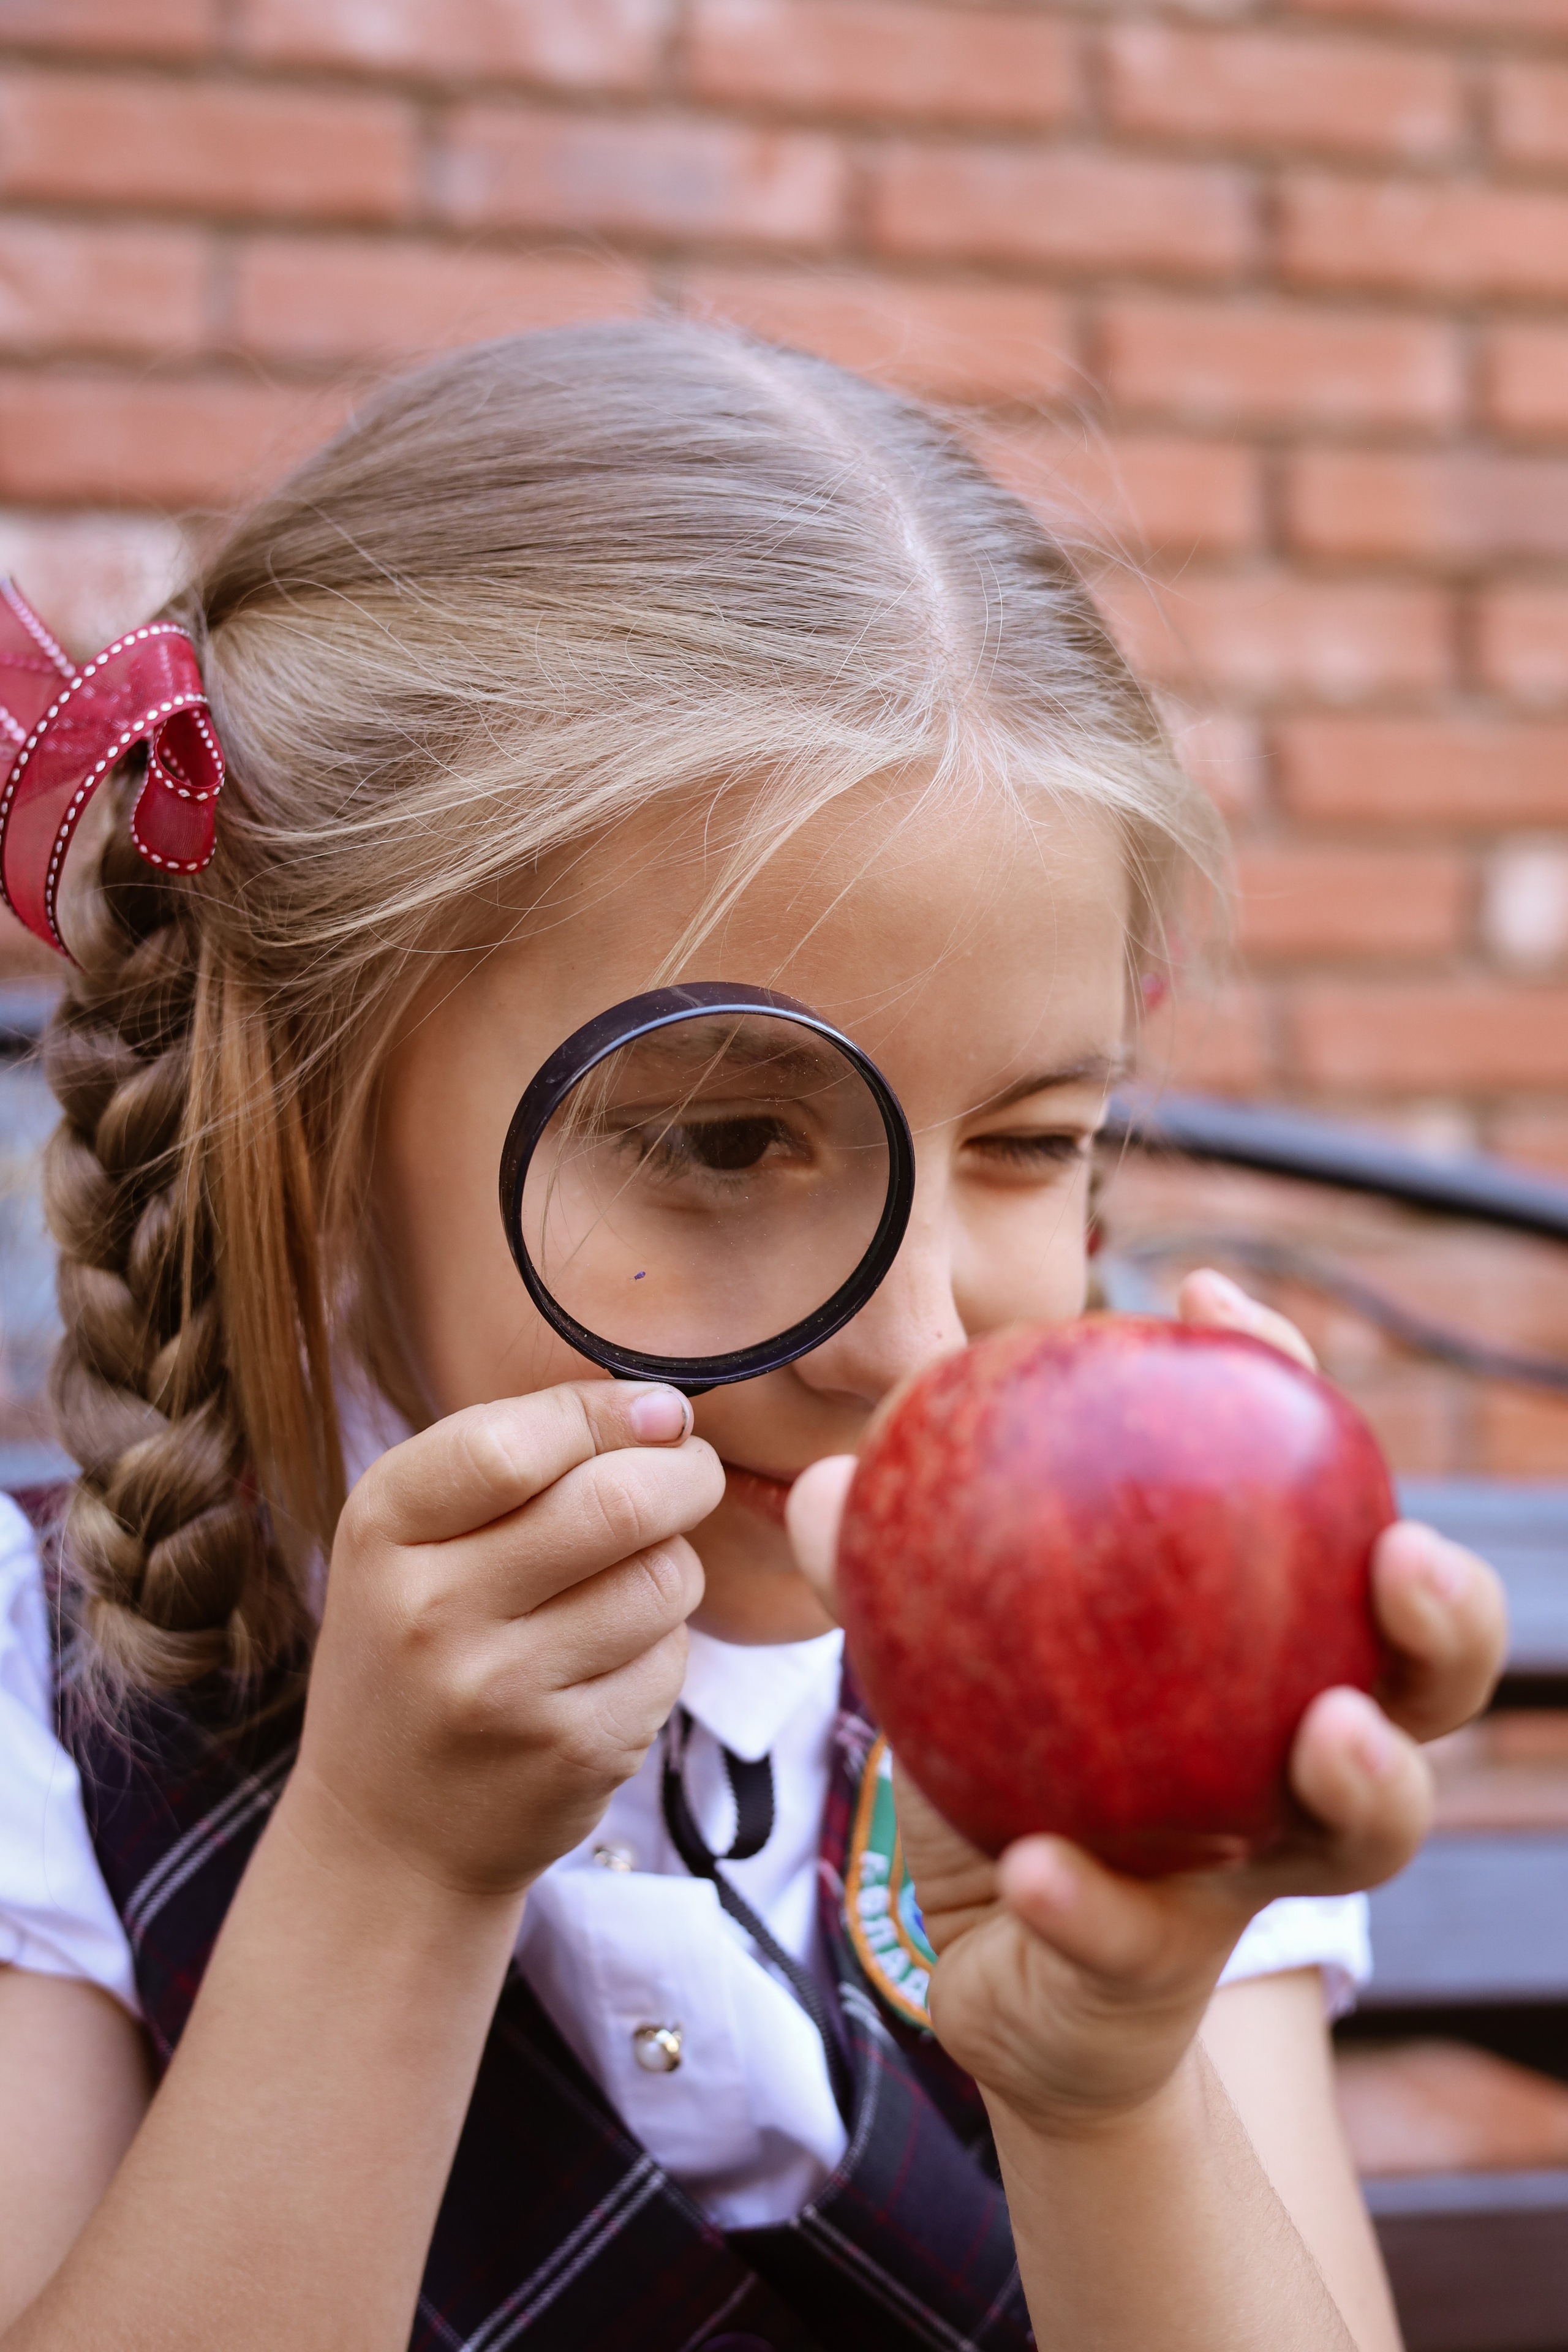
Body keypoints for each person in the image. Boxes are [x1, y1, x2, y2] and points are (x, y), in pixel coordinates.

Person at [0, 321, 1505, 2352]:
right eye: (719, 1140)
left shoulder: (1129, 1673)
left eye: (1035, 1139)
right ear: (310, 1102)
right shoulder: (51, 1717)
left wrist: (1108, 2083)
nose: (906, 1343)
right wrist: (388, 1870)